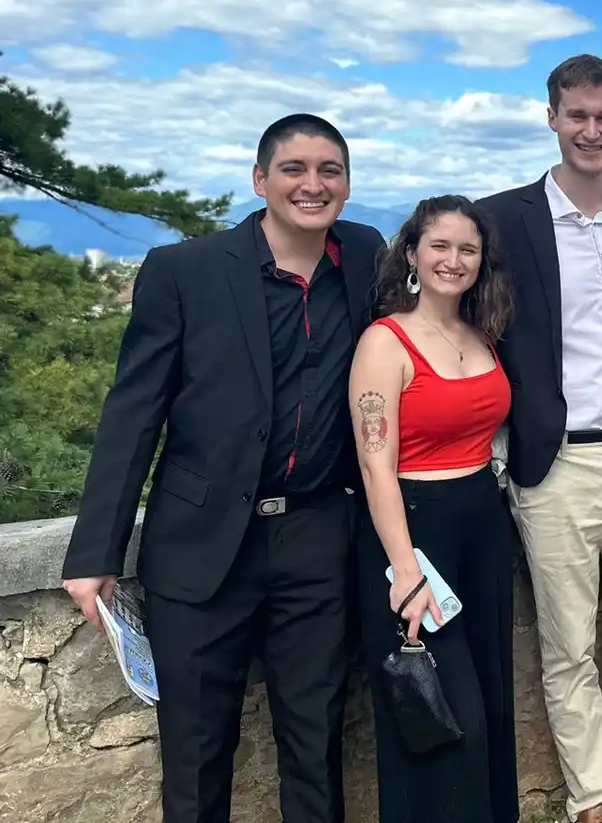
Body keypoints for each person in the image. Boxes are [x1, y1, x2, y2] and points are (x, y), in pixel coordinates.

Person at [59, 114, 386, 823]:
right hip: (202, 543)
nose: (313, 183)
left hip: (317, 538)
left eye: (330, 169)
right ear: (260, 179)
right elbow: (133, 413)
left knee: (315, 740)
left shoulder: (363, 255)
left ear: (348, 184)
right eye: (295, 168)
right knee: (198, 751)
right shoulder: (187, 271)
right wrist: (95, 553)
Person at [476, 55, 602, 823]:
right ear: (552, 118)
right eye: (578, 115)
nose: (591, 130)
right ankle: (591, 798)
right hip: (557, 461)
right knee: (567, 647)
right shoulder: (505, 216)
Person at [348, 195, 519, 822]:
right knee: (447, 715)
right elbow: (375, 464)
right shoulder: (385, 341)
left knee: (493, 703)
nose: (453, 260)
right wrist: (406, 573)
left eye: (467, 249)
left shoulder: (482, 332)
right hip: (415, 533)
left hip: (481, 522)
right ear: (413, 253)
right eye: (439, 246)